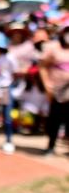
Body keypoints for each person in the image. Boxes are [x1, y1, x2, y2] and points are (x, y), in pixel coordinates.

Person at [39, 24, 69, 155]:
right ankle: (51, 146)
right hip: (57, 89)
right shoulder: (53, 47)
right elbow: (43, 66)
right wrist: (47, 85)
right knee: (55, 118)